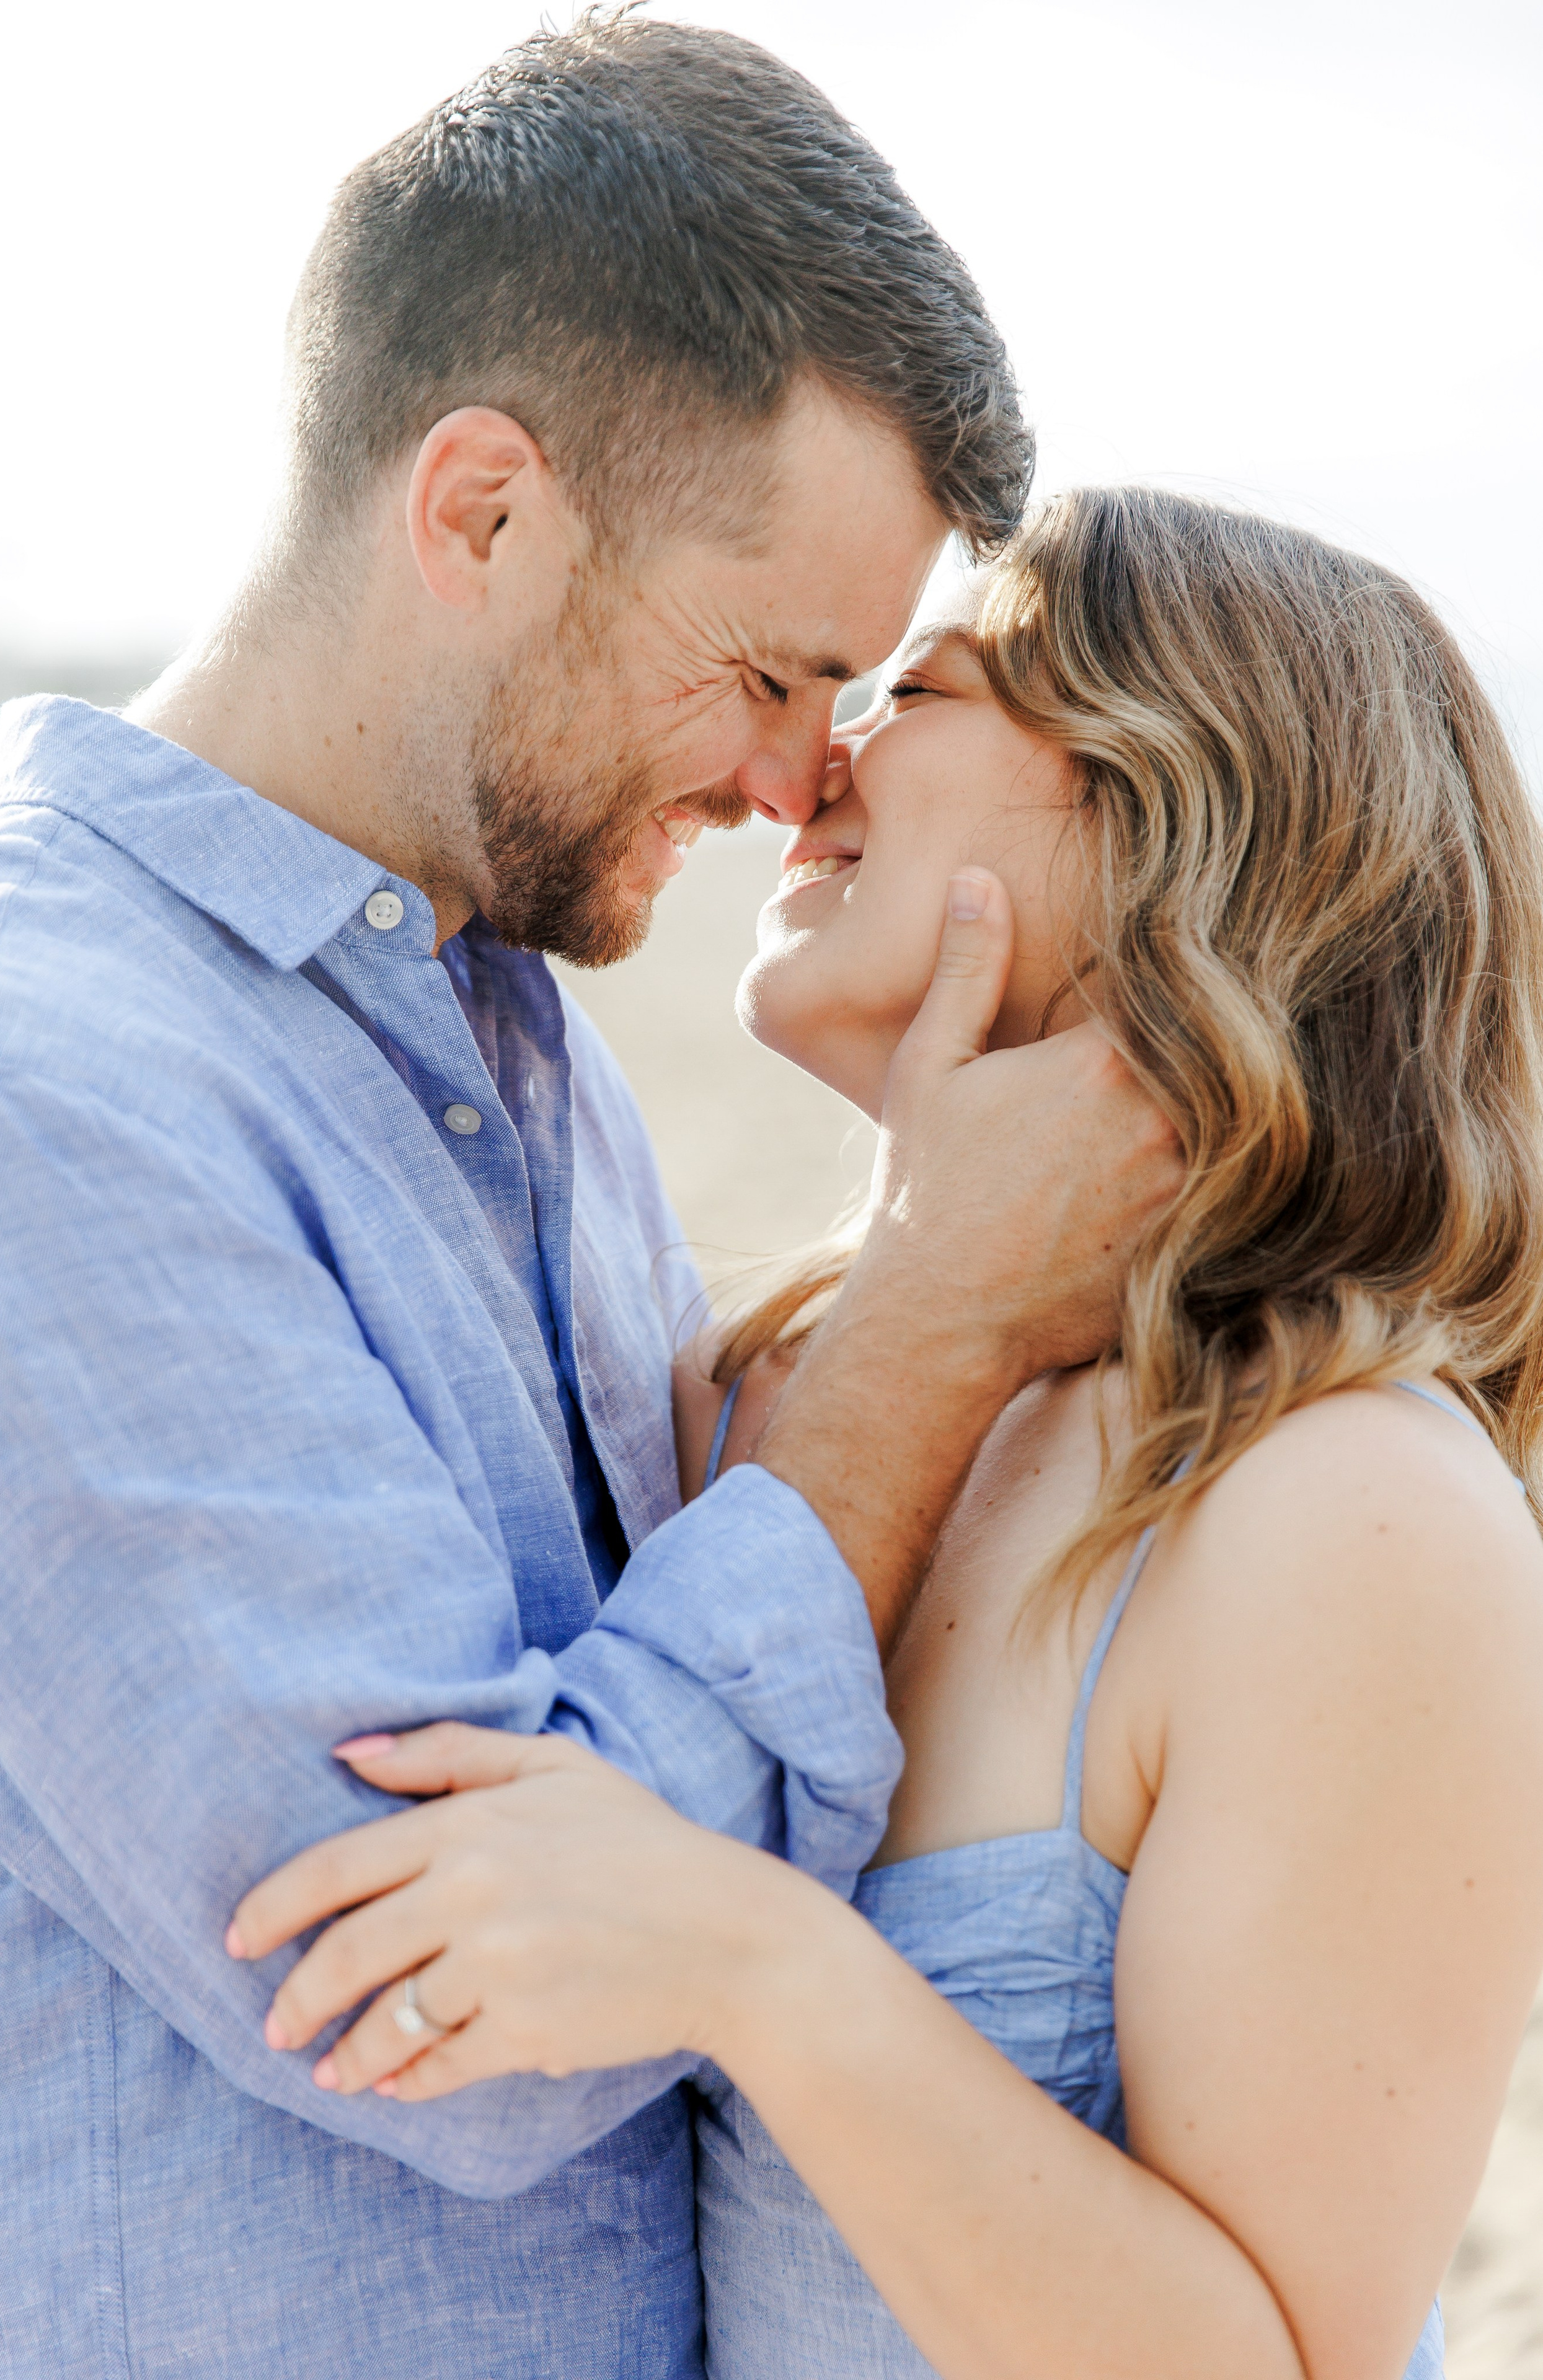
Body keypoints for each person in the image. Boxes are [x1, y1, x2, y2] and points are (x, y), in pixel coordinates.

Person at [0, 17, 1178, 2378]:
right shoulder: (32, 1089)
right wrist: (930, 1326)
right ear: (483, 510)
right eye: (771, 668)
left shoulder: (525, 1055)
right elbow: (476, 2032)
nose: (802, 778)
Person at [234, 490, 1543, 2380]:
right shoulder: (761, 1399)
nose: (815, 754)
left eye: (920, 682)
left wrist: (758, 1967)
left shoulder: (1345, 1508)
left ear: (1176, 813)